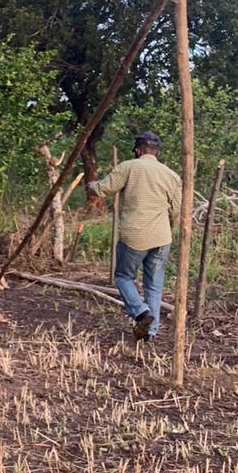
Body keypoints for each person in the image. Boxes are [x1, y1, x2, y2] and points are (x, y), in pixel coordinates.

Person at [87, 131, 181, 341]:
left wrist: (90, 185)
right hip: (162, 237)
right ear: (157, 152)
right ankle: (151, 332)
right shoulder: (171, 175)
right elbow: (176, 210)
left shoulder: (128, 167)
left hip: (134, 237)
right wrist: (169, 229)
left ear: (138, 150)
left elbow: (103, 189)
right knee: (154, 286)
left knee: (123, 277)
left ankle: (140, 312)